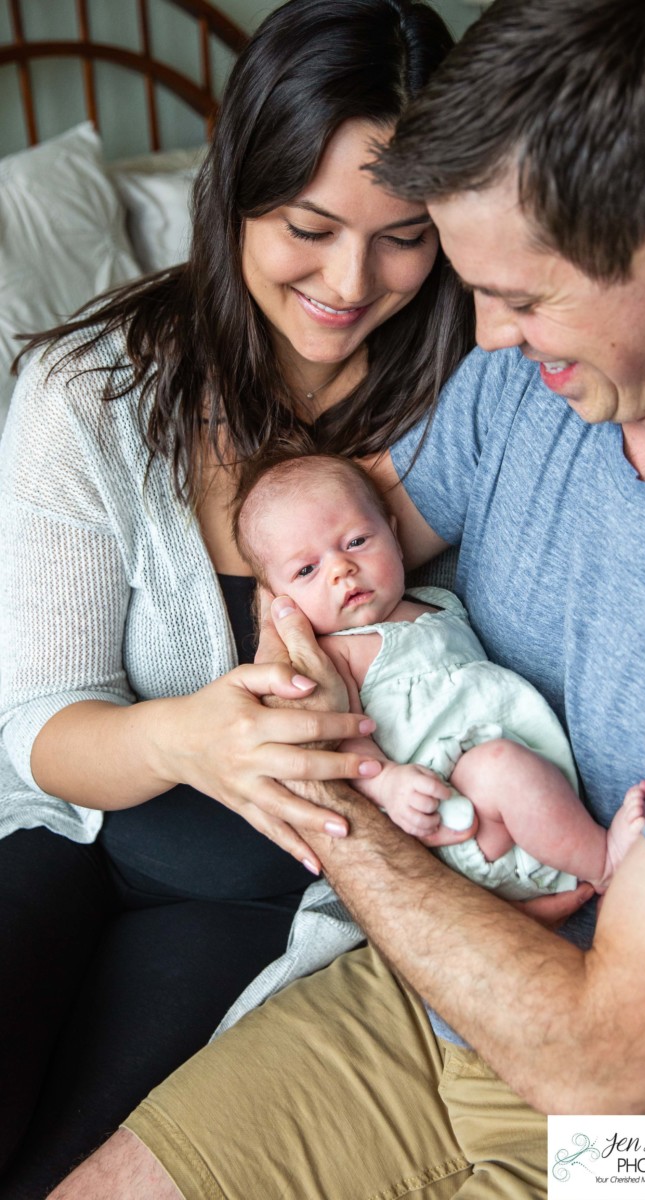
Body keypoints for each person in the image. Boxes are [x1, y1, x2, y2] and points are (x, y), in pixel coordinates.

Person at [48, 0, 645, 1197]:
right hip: (430, 983)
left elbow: (597, 1062)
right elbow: (311, 569)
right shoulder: (524, 396)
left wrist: (342, 794)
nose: (485, 338)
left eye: (523, 296)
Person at [0, 0, 474, 1194]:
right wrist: (192, 734)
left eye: (405, 236)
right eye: (308, 226)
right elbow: (38, 726)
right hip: (71, 830)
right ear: (231, 186)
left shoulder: (478, 401)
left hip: (266, 896)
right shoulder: (84, 393)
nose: (350, 282)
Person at [235, 450, 645, 899]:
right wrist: (388, 784)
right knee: (502, 768)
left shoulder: (437, 602)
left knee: (507, 768)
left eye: (356, 541)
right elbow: (344, 736)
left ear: (394, 536)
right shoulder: (335, 655)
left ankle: (571, 853)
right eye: (306, 569)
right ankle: (604, 864)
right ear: (279, 600)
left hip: (515, 780)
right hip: (448, 806)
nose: (341, 569)